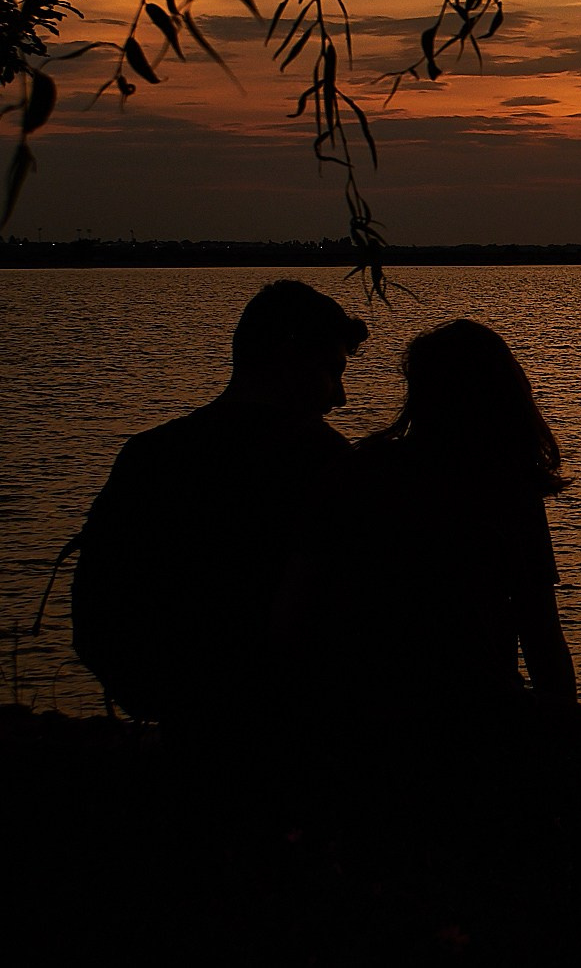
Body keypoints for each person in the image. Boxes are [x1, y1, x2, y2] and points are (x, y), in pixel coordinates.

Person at [71, 280, 369, 734]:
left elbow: (95, 611)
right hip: (291, 733)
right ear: (288, 359)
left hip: (179, 721)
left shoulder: (149, 455)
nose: (340, 397)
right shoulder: (323, 463)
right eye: (332, 371)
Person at [323, 320, 581, 722]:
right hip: (475, 709)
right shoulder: (506, 486)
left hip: (367, 705)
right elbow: (540, 631)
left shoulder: (364, 469)